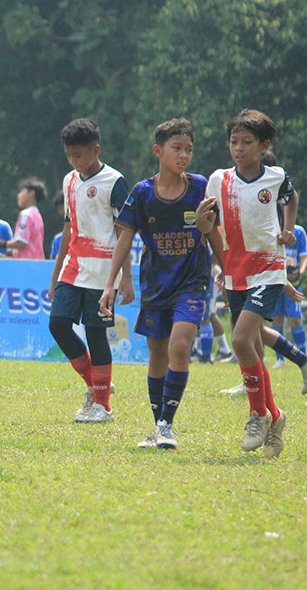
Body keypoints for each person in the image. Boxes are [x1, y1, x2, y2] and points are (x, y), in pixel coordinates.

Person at [100, 119, 218, 449]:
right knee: (156, 358)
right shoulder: (142, 193)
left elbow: (213, 231)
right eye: (176, 148)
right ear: (158, 151)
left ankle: (167, 424)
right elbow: (125, 237)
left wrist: (226, 265)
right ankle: (159, 427)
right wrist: (113, 282)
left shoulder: (199, 187)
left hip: (192, 283)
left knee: (179, 346)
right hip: (155, 285)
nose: (184, 155)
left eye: (189, 150)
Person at [206, 109, 296, 457]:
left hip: (270, 270)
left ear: (264, 146)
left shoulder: (275, 179)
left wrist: (288, 228)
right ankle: (275, 417)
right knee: (255, 349)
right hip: (235, 272)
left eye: (247, 142)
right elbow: (209, 224)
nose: (238, 148)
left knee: (242, 339)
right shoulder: (218, 180)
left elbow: (291, 197)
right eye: (234, 142)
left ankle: (257, 413)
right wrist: (202, 225)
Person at [49, 118, 132, 424]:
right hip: (73, 268)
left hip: (103, 272)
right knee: (57, 324)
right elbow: (68, 230)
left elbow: (125, 231)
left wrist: (126, 277)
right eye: (69, 156)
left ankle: (103, 406)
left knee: (96, 334)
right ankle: (95, 385)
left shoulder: (114, 181)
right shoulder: (69, 180)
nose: (74, 161)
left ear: (96, 149)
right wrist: (55, 275)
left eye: (79, 155)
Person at [271, 223, 307, 368]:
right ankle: (280, 359)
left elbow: (304, 255)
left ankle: (303, 355)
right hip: (275, 280)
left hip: (292, 281)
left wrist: (300, 272)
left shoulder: (299, 231)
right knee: (276, 319)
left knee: (295, 318)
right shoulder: (272, 229)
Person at [0, 178, 46, 259]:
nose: (18, 195)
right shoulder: (38, 215)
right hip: (37, 263)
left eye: (21, 192)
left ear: (31, 193)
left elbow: (21, 243)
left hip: (25, 266)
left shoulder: (25, 214)